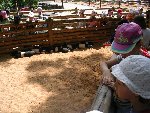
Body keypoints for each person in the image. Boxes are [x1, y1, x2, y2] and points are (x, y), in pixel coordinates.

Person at [100, 22, 143, 113]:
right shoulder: (123, 56)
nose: (122, 53)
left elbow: (138, 96)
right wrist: (106, 71)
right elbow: (103, 63)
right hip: (120, 104)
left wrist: (116, 87)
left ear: (139, 44)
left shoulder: (141, 67)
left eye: (127, 49)